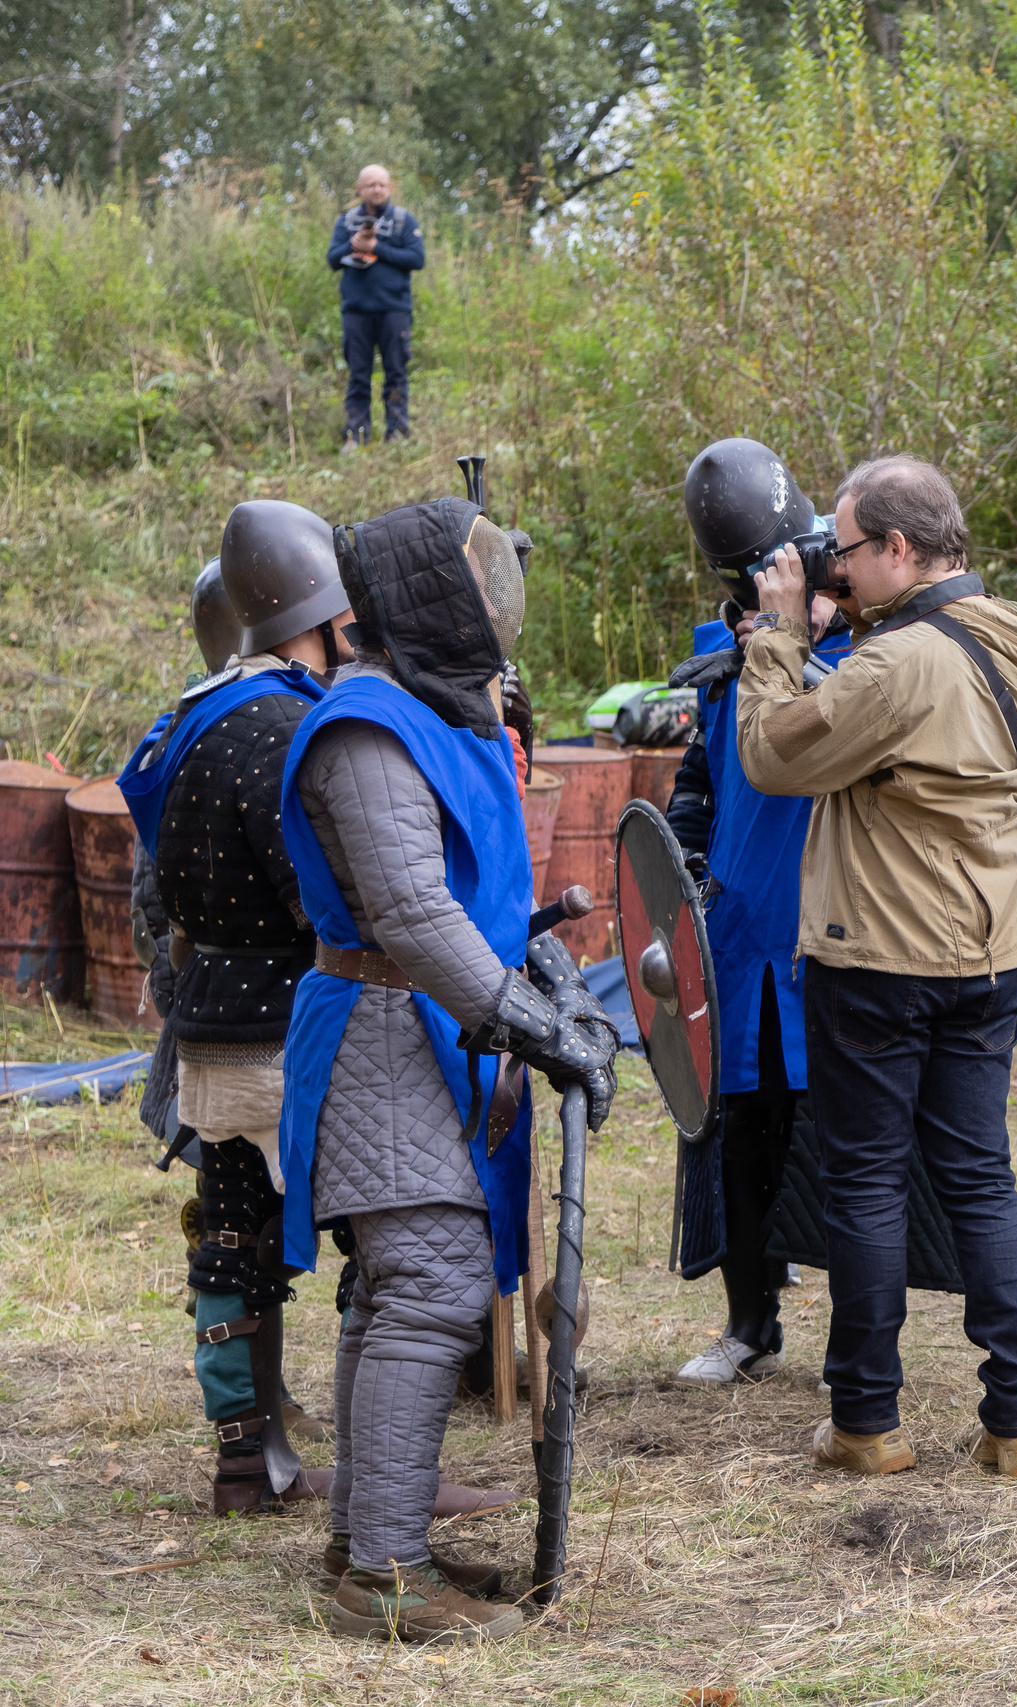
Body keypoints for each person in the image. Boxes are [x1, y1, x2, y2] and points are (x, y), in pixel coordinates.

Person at [279, 496, 618, 1643]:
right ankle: (381, 1571)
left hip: (426, 1029)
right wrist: (536, 1026)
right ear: (430, 597)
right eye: (477, 578)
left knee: (399, 1289)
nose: (496, 598)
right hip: (384, 1027)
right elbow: (413, 918)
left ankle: (368, 1546)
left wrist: (539, 968)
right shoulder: (366, 725)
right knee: (425, 1280)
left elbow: (471, 901)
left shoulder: (435, 713)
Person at [737, 453, 1017, 1480]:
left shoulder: (898, 668)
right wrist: (846, 623)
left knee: (867, 1182)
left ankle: (866, 1421)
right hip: (989, 955)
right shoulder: (1013, 634)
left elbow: (772, 753)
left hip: (883, 954)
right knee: (981, 1179)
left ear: (896, 548)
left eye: (844, 551)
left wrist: (777, 638)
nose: (831, 568)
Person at [117, 519, 345, 1513]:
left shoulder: (185, 719)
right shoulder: (282, 727)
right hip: (291, 1023)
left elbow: (161, 897)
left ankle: (247, 1459)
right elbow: (319, 898)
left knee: (232, 1235)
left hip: (209, 1018)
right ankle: (367, 1462)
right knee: (379, 1230)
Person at [658, 439, 861, 1386]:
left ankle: (854, 1334)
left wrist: (799, 641)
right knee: (740, 1127)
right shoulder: (722, 649)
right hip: (738, 928)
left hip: (837, 918)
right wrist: (686, 855)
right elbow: (698, 776)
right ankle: (750, 1321)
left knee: (844, 1133)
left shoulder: (869, 644)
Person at [326, 165, 426, 444]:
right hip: (356, 311)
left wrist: (376, 249)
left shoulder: (404, 221)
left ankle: (397, 434)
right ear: (360, 189)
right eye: (370, 185)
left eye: (381, 184)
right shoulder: (346, 222)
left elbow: (417, 259)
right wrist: (353, 244)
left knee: (396, 373)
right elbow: (332, 260)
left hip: (395, 310)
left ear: (389, 187)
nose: (377, 189)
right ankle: (356, 436)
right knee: (358, 376)